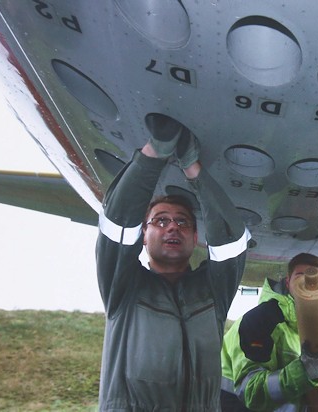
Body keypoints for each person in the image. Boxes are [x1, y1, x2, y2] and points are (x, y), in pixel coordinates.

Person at [96, 122, 251, 411]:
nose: (172, 228)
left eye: (182, 222)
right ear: (143, 234)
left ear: (195, 237)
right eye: (160, 221)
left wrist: (193, 169)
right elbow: (116, 224)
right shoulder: (123, 288)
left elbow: (232, 240)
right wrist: (154, 153)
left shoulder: (212, 292)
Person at [220, 253, 318, 411]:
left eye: (316, 278)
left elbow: (295, 394)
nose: (306, 281)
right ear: (288, 281)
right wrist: (305, 371)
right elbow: (251, 393)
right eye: (299, 275)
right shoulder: (260, 320)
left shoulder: (310, 329)